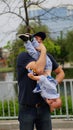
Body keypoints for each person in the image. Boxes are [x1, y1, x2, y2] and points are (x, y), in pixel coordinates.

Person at [17, 32, 65, 130]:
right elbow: (39, 70)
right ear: (32, 40)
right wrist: (43, 50)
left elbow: (60, 73)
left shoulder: (48, 58)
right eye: (36, 38)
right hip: (27, 108)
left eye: (41, 39)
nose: (39, 41)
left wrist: (52, 84)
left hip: (44, 108)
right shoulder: (23, 56)